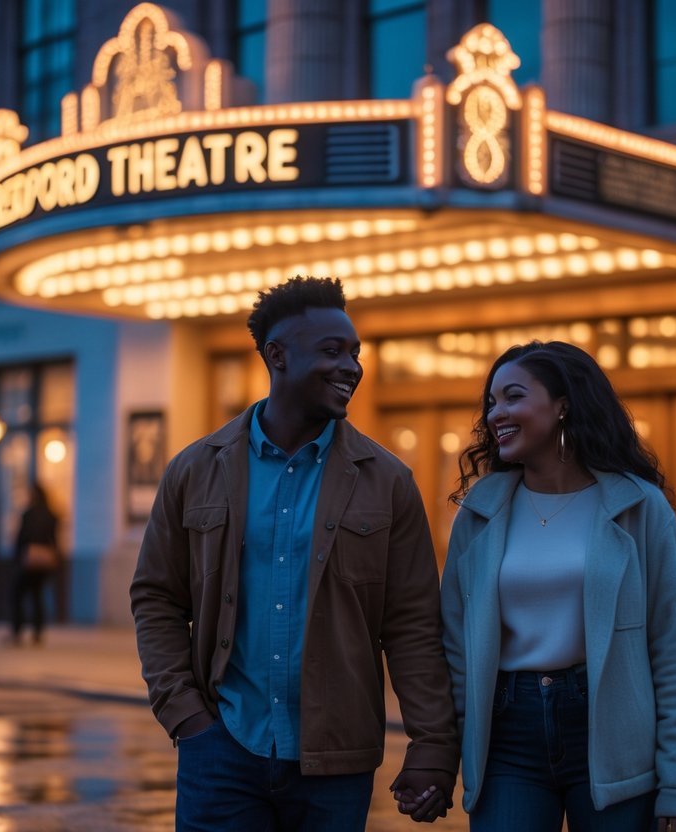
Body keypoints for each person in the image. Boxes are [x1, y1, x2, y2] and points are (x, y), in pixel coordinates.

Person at [130, 276, 459, 831]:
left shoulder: (388, 482)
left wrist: (432, 744)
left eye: (355, 353)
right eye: (332, 351)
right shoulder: (193, 470)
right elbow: (156, 597)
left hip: (336, 763)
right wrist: (184, 713)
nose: (351, 366)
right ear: (277, 356)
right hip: (221, 750)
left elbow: (412, 625)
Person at [440, 341, 676, 832]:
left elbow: (672, 650)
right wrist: (443, 752)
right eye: (492, 402)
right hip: (507, 735)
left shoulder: (639, 508)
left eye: (513, 397)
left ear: (562, 405)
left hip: (614, 733)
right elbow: (456, 646)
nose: (497, 413)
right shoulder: (479, 513)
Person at [8, 483, 61, 646]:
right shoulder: (51, 515)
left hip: (29, 560)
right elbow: (54, 540)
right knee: (37, 596)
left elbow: (22, 538)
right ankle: (37, 633)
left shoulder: (28, 514)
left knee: (18, 594)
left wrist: (17, 558)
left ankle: (18, 631)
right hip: (43, 561)